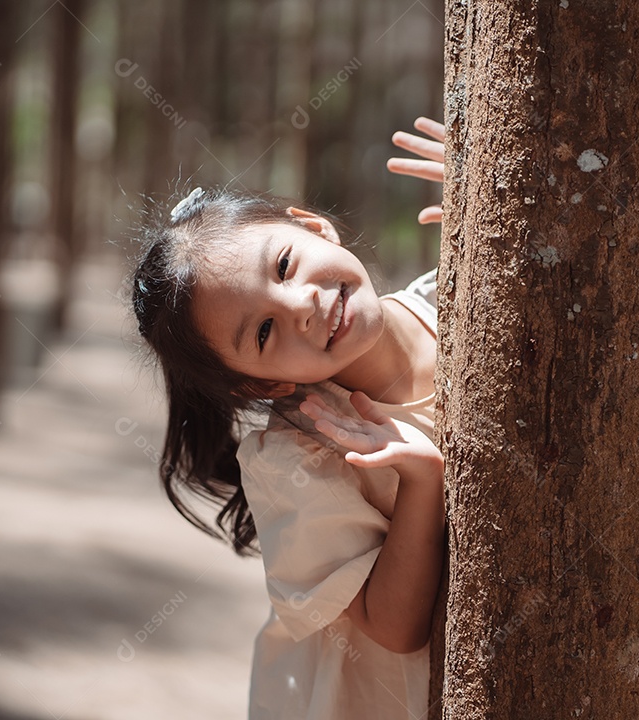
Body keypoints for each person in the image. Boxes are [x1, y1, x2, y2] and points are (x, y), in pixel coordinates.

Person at [131, 117, 448, 719]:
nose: (302, 303)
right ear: (265, 383)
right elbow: (393, 627)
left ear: (312, 226)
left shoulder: (459, 296)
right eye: (265, 331)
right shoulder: (301, 453)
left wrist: (504, 204)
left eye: (283, 265)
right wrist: (421, 483)